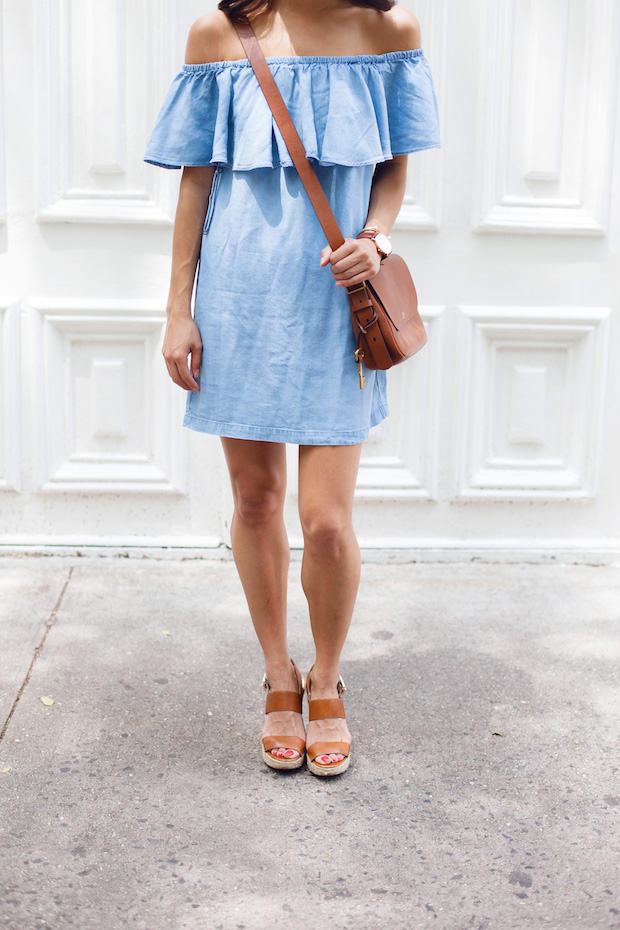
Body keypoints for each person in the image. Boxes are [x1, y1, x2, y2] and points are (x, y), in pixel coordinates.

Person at [144, 0, 441, 776]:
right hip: (239, 303)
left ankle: (328, 676)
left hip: (334, 308)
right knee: (254, 501)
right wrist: (179, 311)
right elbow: (195, 183)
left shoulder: (391, 31)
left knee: (330, 522)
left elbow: (394, 164)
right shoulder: (220, 34)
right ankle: (280, 674)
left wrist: (375, 239)